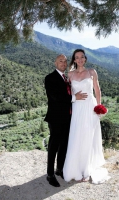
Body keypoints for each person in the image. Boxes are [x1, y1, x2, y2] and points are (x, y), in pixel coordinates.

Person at [63, 49, 110, 184]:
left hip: (90, 107)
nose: (80, 59)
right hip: (77, 108)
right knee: (77, 135)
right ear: (74, 59)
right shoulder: (70, 74)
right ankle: (75, 169)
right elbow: (68, 93)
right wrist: (73, 98)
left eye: (82, 57)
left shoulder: (92, 72)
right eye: (77, 57)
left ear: (85, 58)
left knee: (89, 137)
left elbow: (97, 89)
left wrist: (99, 107)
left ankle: (87, 169)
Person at [44, 54, 88, 187]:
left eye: (65, 61)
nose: (63, 63)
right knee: (53, 146)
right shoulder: (50, 78)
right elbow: (55, 97)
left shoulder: (67, 78)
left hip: (69, 117)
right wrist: (75, 97)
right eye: (60, 61)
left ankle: (60, 169)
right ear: (55, 63)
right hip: (56, 118)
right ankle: (50, 174)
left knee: (64, 145)